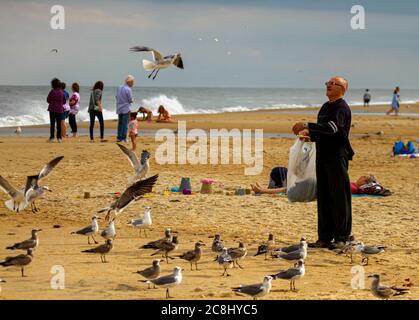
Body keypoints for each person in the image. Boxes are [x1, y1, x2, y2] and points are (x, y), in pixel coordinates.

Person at [292, 76, 354, 250]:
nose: (328, 86)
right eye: (327, 83)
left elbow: (333, 128)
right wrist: (309, 136)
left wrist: (306, 124)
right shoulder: (326, 107)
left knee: (339, 197)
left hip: (337, 156)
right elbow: (323, 132)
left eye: (332, 83)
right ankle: (325, 238)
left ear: (342, 88)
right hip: (323, 156)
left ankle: (342, 237)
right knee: (325, 197)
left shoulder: (341, 107)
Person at [116, 75, 135, 142]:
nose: (133, 83)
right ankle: (124, 138)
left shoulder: (119, 87)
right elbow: (130, 100)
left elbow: (116, 97)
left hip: (119, 107)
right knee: (125, 124)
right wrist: (132, 100)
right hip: (126, 108)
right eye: (132, 82)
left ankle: (119, 137)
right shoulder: (128, 89)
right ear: (129, 82)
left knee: (120, 123)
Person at [46, 78, 65, 142]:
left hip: (52, 109)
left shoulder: (52, 91)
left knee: (52, 124)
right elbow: (64, 101)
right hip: (59, 109)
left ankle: (52, 138)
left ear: (53, 84)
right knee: (59, 124)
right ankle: (59, 138)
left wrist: (52, 102)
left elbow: (48, 100)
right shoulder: (61, 92)